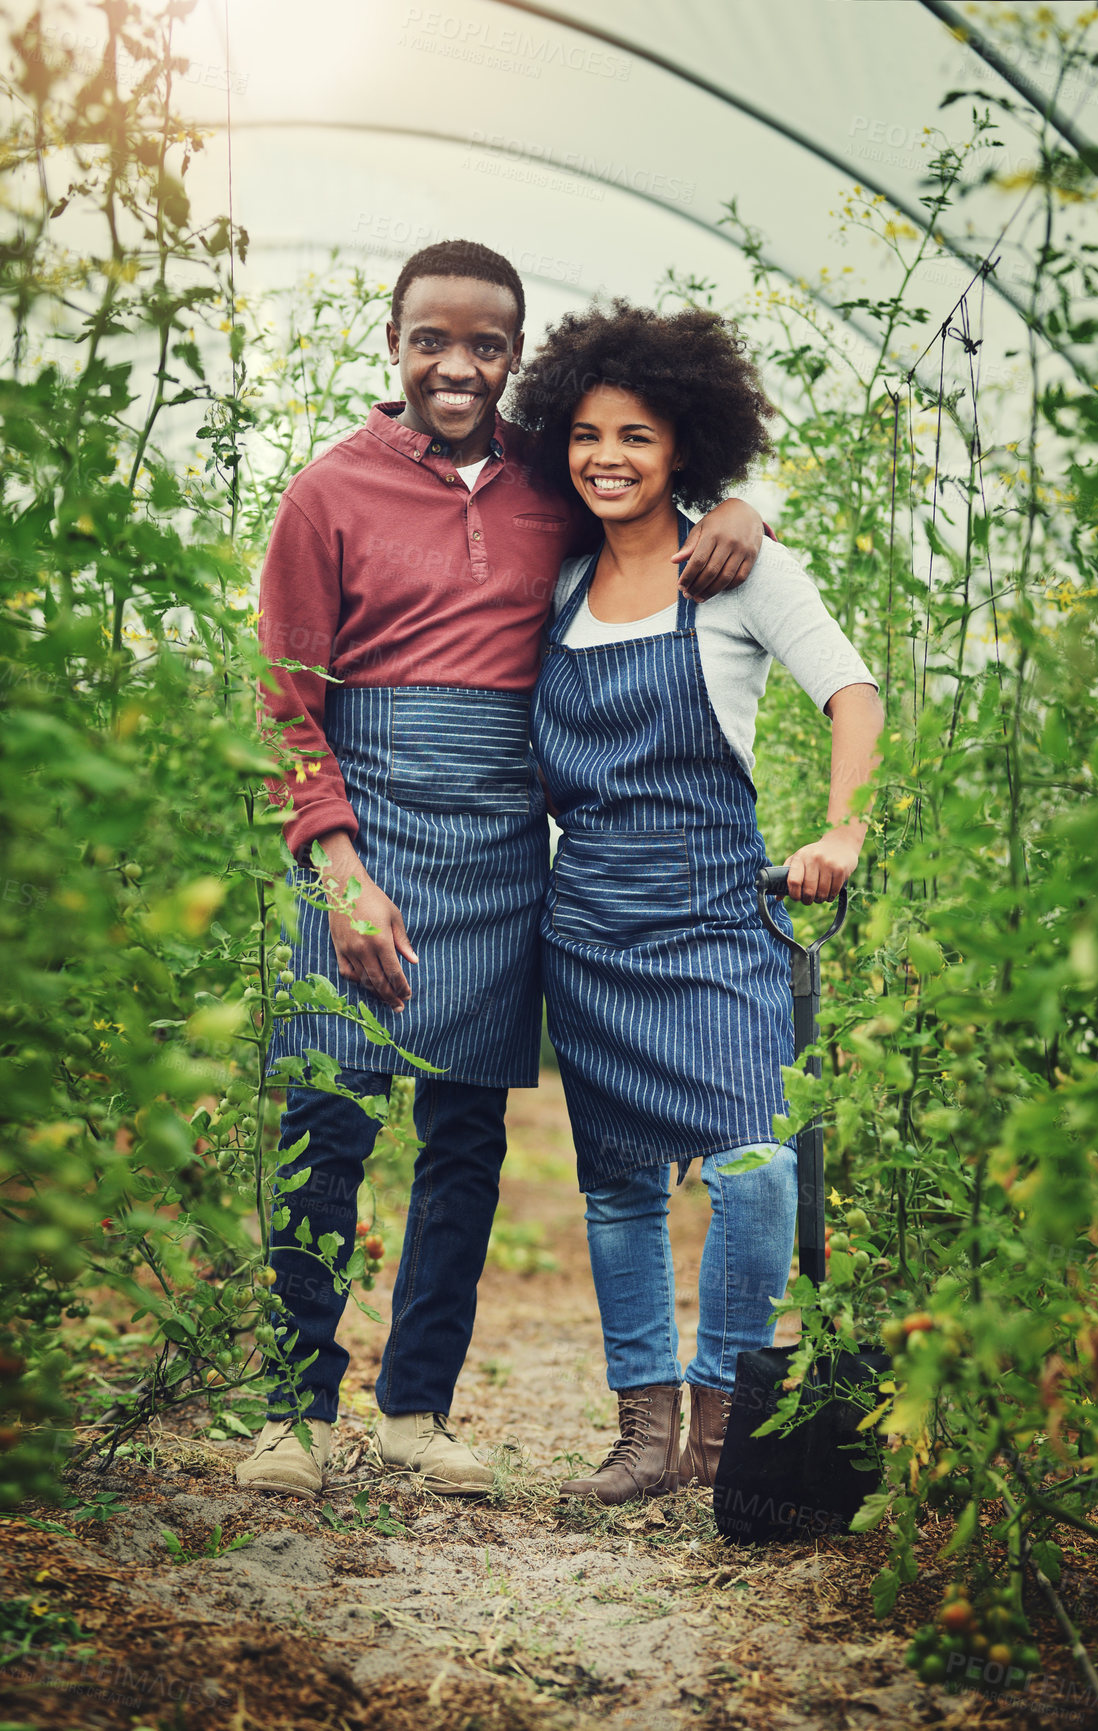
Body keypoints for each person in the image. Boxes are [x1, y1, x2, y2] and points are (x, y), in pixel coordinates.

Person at [235, 242, 771, 1499]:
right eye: (432, 339)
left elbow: (661, 493)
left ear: (518, 357)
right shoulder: (329, 494)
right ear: (392, 342)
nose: (457, 365)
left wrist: (751, 507)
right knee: (327, 1120)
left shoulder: (551, 484)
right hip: (362, 847)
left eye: (485, 345)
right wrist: (340, 874)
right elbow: (279, 704)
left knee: (463, 1139)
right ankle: (295, 1412)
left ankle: (416, 1408)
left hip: (500, 856)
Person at [509, 301, 885, 1503]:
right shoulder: (556, 588)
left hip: (719, 917)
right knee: (617, 1184)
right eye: (584, 434)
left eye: (636, 435)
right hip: (589, 924)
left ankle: (726, 1432)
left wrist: (844, 828)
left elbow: (854, 694)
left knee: (754, 1168)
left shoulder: (735, 565)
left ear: (686, 449)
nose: (606, 456)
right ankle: (642, 1436)